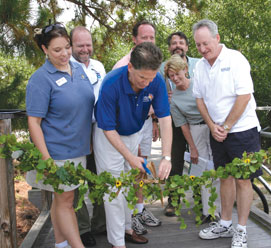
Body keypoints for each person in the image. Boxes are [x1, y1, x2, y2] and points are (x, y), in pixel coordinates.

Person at [93, 42, 172, 248]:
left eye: (151, 78)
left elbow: (164, 118)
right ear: (130, 67)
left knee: (131, 184)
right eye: (142, 78)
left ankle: (128, 229)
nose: (147, 83)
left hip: (134, 132)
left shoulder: (156, 80)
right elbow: (108, 129)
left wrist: (166, 157)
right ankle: (117, 242)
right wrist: (130, 156)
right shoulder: (111, 83)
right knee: (114, 189)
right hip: (109, 137)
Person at [192, 19, 262, 248]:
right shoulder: (200, 66)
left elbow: (244, 96)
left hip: (242, 131)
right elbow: (199, 99)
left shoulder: (236, 59)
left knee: (243, 180)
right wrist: (212, 126)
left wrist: (227, 126)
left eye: (205, 44)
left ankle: (241, 230)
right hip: (217, 132)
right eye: (198, 45)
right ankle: (224, 223)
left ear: (217, 38)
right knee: (224, 177)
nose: (202, 49)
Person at [26, 23, 94, 248]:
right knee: (67, 201)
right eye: (57, 50)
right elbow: (34, 122)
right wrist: (46, 159)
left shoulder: (79, 69)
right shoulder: (40, 78)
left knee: (61, 199)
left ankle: (60, 244)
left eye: (66, 47)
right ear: (45, 50)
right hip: (57, 152)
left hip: (79, 148)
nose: (64, 54)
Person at [112, 20, 161, 235]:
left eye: (152, 37)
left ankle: (139, 210)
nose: (149, 41)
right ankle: (129, 217)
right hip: (127, 127)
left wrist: (156, 121)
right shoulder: (124, 65)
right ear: (134, 39)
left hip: (146, 121)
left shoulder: (154, 64)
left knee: (142, 170)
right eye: (144, 37)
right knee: (131, 170)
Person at [164, 54, 220, 223]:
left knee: (217, 168)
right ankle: (207, 210)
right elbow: (183, 125)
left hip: (212, 125)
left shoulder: (199, 84)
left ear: (185, 70)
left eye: (177, 73)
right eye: (171, 76)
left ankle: (219, 212)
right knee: (202, 170)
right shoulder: (174, 100)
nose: (175, 78)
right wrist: (193, 148)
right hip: (195, 129)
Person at [70, 26, 107, 247]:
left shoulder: (99, 66)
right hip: (76, 134)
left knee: (100, 181)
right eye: (80, 45)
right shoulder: (66, 67)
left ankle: (101, 224)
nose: (85, 49)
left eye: (88, 44)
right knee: (76, 186)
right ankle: (82, 228)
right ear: (71, 45)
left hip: (100, 132)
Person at [159, 31, 200, 216]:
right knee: (175, 162)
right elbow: (156, 95)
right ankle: (173, 201)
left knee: (200, 162)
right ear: (169, 48)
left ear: (187, 47)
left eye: (181, 42)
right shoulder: (161, 68)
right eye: (174, 43)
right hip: (175, 121)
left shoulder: (199, 64)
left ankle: (201, 199)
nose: (178, 45)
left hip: (198, 122)